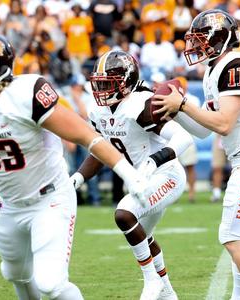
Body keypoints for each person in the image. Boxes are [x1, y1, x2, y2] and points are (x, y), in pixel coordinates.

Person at [0, 33, 149, 300]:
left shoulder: (24, 94)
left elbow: (85, 135)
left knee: (50, 283)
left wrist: (130, 174)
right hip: (10, 204)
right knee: (15, 273)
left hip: (50, 198)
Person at [152, 9, 240, 300]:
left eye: (201, 41)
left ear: (219, 40)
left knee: (232, 235)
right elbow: (204, 131)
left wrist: (184, 103)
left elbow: (224, 123)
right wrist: (173, 111)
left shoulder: (237, 63)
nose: (195, 47)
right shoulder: (215, 69)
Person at [70, 50, 193, 300]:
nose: (101, 89)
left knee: (125, 214)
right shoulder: (99, 111)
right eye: (99, 83)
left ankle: (151, 282)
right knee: (142, 236)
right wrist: (77, 178)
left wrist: (152, 161)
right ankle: (167, 292)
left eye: (107, 84)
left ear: (126, 82)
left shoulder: (140, 104)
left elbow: (183, 137)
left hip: (166, 175)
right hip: (141, 181)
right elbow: (101, 151)